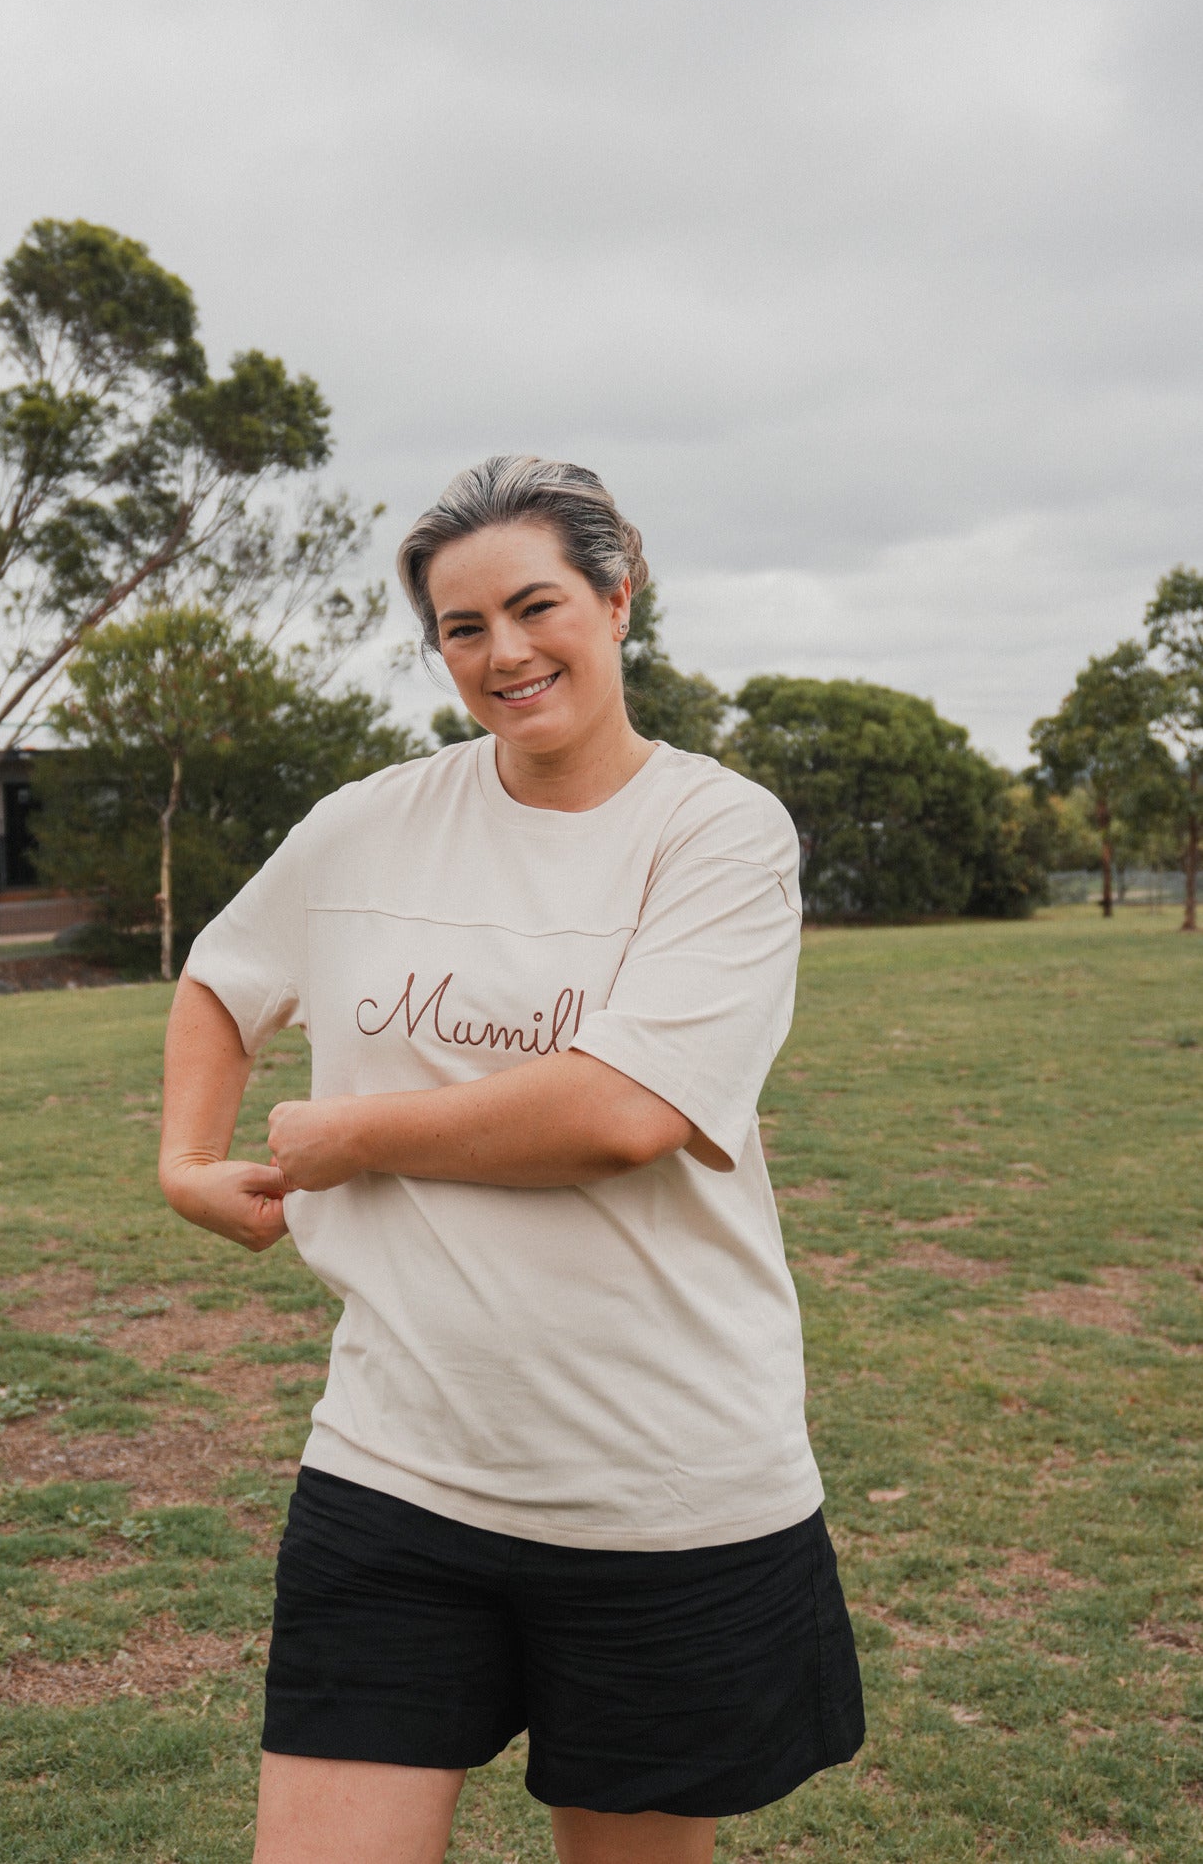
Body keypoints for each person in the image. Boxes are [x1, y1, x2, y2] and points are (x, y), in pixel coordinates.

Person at [160, 455, 864, 1864]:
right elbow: (225, 976)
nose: (504, 654)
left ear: (617, 592)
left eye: (534, 606)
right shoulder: (369, 821)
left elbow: (617, 1117)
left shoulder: (713, 832)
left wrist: (343, 1135)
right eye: (460, 628)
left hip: (659, 1494)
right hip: (394, 1469)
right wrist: (186, 1158)